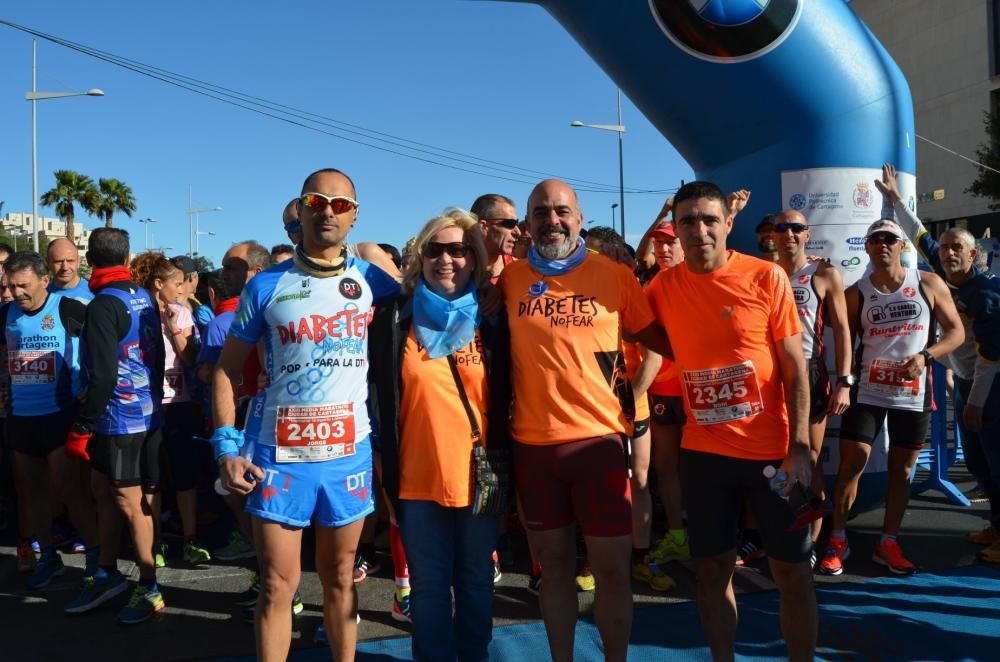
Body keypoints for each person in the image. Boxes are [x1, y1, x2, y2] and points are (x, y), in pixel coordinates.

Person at [213, 168, 399, 661]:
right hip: (279, 454)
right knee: (277, 585)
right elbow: (225, 372)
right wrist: (225, 449)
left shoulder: (370, 278)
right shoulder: (265, 286)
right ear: (301, 208)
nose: (328, 212)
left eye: (341, 205)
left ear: (355, 216)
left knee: (340, 578)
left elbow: (433, 298)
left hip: (347, 453)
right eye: (318, 202)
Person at [499, 179, 671, 662]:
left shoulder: (615, 275)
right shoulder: (509, 280)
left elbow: (660, 340)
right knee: (553, 572)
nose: (551, 220)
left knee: (612, 573)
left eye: (561, 211)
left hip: (598, 446)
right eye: (540, 213)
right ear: (527, 223)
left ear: (578, 218)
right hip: (534, 449)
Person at [644, 180, 816, 661]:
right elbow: (638, 326)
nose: (698, 230)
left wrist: (800, 447)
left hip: (772, 454)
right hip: (704, 455)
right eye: (687, 221)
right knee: (712, 571)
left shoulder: (765, 277)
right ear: (675, 228)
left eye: (708, 219)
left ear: (726, 223)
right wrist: (680, 352)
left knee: (793, 574)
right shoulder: (663, 287)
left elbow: (793, 367)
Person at [371, 208, 512, 661]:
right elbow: (378, 397)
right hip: (416, 479)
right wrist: (382, 470)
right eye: (435, 249)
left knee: (475, 583)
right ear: (421, 256)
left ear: (475, 257)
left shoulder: (494, 318)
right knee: (429, 589)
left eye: (458, 250)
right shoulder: (395, 318)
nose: (446, 259)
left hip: (480, 478)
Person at [821, 218, 963, 577]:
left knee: (901, 471)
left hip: (912, 393)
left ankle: (888, 541)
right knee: (853, 464)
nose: (882, 244)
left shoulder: (928, 283)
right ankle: (838, 538)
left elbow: (956, 332)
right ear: (866, 248)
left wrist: (926, 357)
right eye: (875, 240)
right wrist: (844, 380)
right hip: (868, 389)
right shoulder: (857, 292)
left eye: (889, 239)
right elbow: (844, 339)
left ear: (902, 246)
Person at [876, 164, 1000, 563]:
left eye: (956, 249)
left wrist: (976, 401)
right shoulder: (948, 273)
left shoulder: (986, 294)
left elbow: (991, 357)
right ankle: (996, 525)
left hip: (991, 386)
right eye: (946, 249)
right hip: (968, 383)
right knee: (980, 463)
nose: (947, 254)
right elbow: (920, 235)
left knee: (997, 460)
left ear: (974, 254)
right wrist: (894, 199)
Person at [64, 227, 166, 623]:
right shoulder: (142, 295)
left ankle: (149, 586)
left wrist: (82, 425)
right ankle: (107, 572)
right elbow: (156, 357)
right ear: (127, 259)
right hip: (144, 413)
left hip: (120, 419)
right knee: (102, 491)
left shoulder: (104, 303)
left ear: (90, 259)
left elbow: (103, 375)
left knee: (130, 501)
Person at [0, 251, 98, 591]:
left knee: (71, 491)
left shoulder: (69, 309)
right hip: (20, 417)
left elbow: (99, 349)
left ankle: (98, 560)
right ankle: (49, 557)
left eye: (23, 286)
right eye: (10, 286)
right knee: (31, 493)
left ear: (44, 280)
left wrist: (90, 391)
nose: (16, 293)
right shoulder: (6, 313)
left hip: (60, 414)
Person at [772, 209, 852, 558]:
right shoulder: (765, 273)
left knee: (812, 457)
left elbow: (844, 331)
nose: (788, 234)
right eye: (781, 228)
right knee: (774, 457)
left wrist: (844, 382)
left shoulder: (824, 274)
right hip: (770, 374)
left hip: (811, 371)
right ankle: (774, 534)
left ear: (807, 234)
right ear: (773, 236)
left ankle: (811, 542)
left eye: (795, 228)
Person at [130, 252, 209, 567]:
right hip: (147, 404)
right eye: (176, 283)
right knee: (153, 476)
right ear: (158, 284)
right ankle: (156, 540)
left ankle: (191, 538)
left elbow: (191, 359)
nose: (182, 288)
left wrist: (175, 328)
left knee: (184, 473)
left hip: (180, 402)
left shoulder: (183, 312)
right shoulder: (139, 314)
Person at [641, 219, 692, 568]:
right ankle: (677, 535)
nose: (663, 249)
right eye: (659, 243)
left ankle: (708, 533)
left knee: (704, 468)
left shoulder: (701, 281)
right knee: (666, 468)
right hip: (661, 390)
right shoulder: (652, 287)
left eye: (670, 242)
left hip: (696, 391)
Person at [471, 193, 521, 283]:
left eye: (516, 223)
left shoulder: (519, 270)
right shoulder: (458, 269)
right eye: (510, 224)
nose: (518, 232)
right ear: (483, 226)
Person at [46, 237, 93, 304]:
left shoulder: (95, 292)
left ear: (78, 261)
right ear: (48, 262)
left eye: (70, 261)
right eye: (58, 261)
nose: (65, 267)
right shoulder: (40, 295)